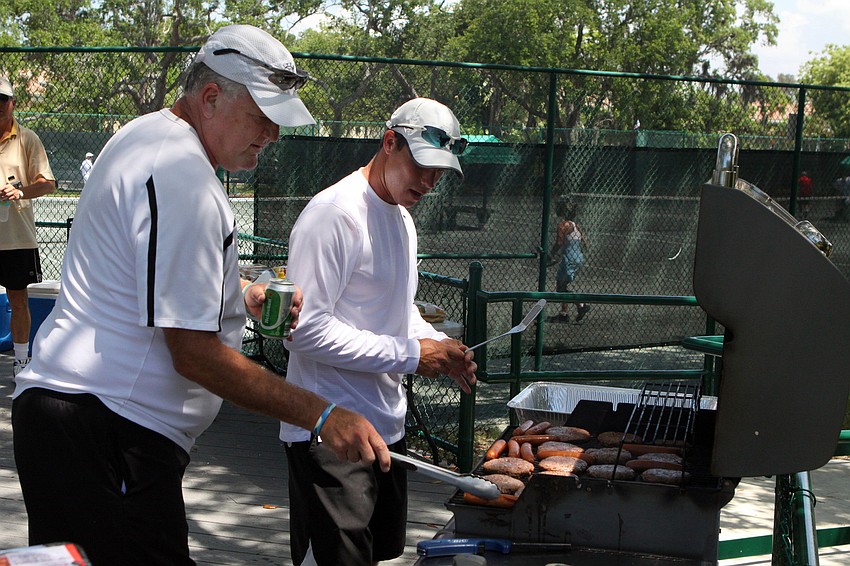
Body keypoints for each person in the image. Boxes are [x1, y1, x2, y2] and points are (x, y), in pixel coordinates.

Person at [12, 24, 390, 565]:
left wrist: (238, 293)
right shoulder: (182, 175)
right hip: (105, 429)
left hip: (88, 427)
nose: (273, 135)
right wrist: (325, 415)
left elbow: (146, 276)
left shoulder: (148, 137)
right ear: (210, 97)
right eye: (262, 117)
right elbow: (192, 352)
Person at [280, 97, 478, 566]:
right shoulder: (333, 213)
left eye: (440, 173)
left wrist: (438, 346)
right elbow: (302, 331)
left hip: (386, 428)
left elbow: (395, 309)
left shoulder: (404, 222)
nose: (429, 183)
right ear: (390, 142)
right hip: (328, 432)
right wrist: (412, 355)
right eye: (422, 166)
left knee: (380, 555)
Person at [0, 75, 56, 377]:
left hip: (16, 237)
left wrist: (19, 190)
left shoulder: (28, 139)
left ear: (13, 103)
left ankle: (21, 361)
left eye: (2, 99)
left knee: (18, 299)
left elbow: (47, 183)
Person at [547, 196, 591, 323]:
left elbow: (559, 242)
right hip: (578, 257)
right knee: (562, 284)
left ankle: (580, 305)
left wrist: (551, 254)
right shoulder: (575, 225)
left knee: (560, 288)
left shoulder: (563, 225)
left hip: (569, 258)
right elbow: (585, 243)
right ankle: (564, 313)